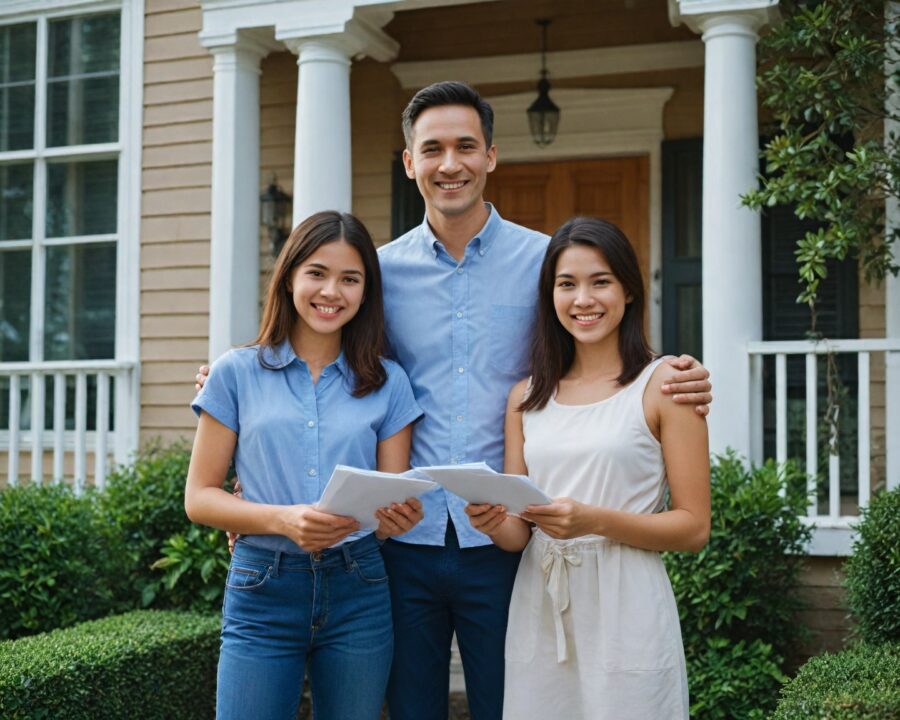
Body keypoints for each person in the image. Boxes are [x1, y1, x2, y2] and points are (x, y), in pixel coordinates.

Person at [196, 81, 713, 720]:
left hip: (506, 541)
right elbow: (321, 360)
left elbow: (593, 333)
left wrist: (672, 372)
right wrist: (233, 391)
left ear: (490, 155)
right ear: (409, 162)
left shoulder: (544, 263)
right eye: (432, 149)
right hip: (401, 542)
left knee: (512, 706)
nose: (450, 164)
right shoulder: (375, 274)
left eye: (466, 146)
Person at [466, 217, 710, 719]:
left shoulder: (666, 384)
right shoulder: (526, 398)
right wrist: (491, 521)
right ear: (549, 296)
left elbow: (693, 528)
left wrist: (593, 521)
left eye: (600, 281)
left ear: (629, 290)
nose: (583, 300)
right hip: (539, 603)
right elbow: (519, 532)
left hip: (628, 603)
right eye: (567, 284)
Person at [185, 211, 425, 720]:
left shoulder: (389, 383)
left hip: (359, 587)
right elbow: (199, 498)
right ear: (290, 276)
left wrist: (396, 518)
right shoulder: (234, 373)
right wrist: (282, 519)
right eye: (317, 273)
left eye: (350, 279)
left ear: (366, 291)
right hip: (262, 586)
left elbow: (390, 495)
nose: (331, 291)